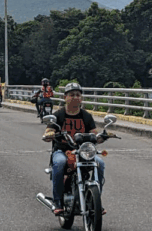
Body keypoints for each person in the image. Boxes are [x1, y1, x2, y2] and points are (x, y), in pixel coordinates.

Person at [42, 82, 105, 216]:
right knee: (59, 163)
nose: (75, 97)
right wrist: (49, 134)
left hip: (83, 152)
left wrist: (101, 136)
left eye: (77, 95)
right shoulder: (59, 115)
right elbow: (49, 129)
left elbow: (94, 132)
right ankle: (58, 201)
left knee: (100, 163)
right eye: (71, 95)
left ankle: (96, 199)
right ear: (65, 97)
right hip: (62, 151)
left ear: (81, 98)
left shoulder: (86, 116)